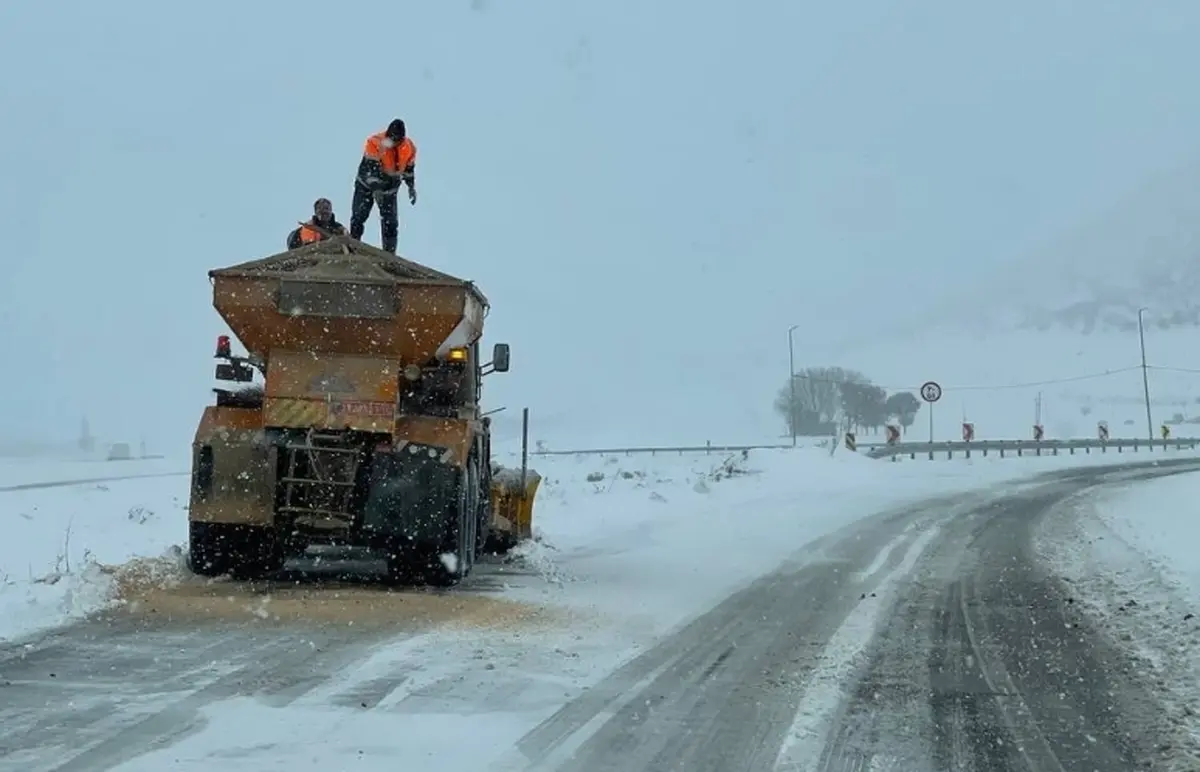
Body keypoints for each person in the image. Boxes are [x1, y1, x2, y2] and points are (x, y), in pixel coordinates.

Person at [350, 118, 417, 254]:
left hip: (389, 189)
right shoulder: (374, 142)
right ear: (388, 134)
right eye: (393, 138)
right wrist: (376, 189)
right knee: (359, 216)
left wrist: (411, 186)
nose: (395, 141)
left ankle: (389, 254)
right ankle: (353, 246)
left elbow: (409, 169)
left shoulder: (409, 147)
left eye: (398, 139)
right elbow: (370, 168)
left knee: (390, 223)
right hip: (366, 185)